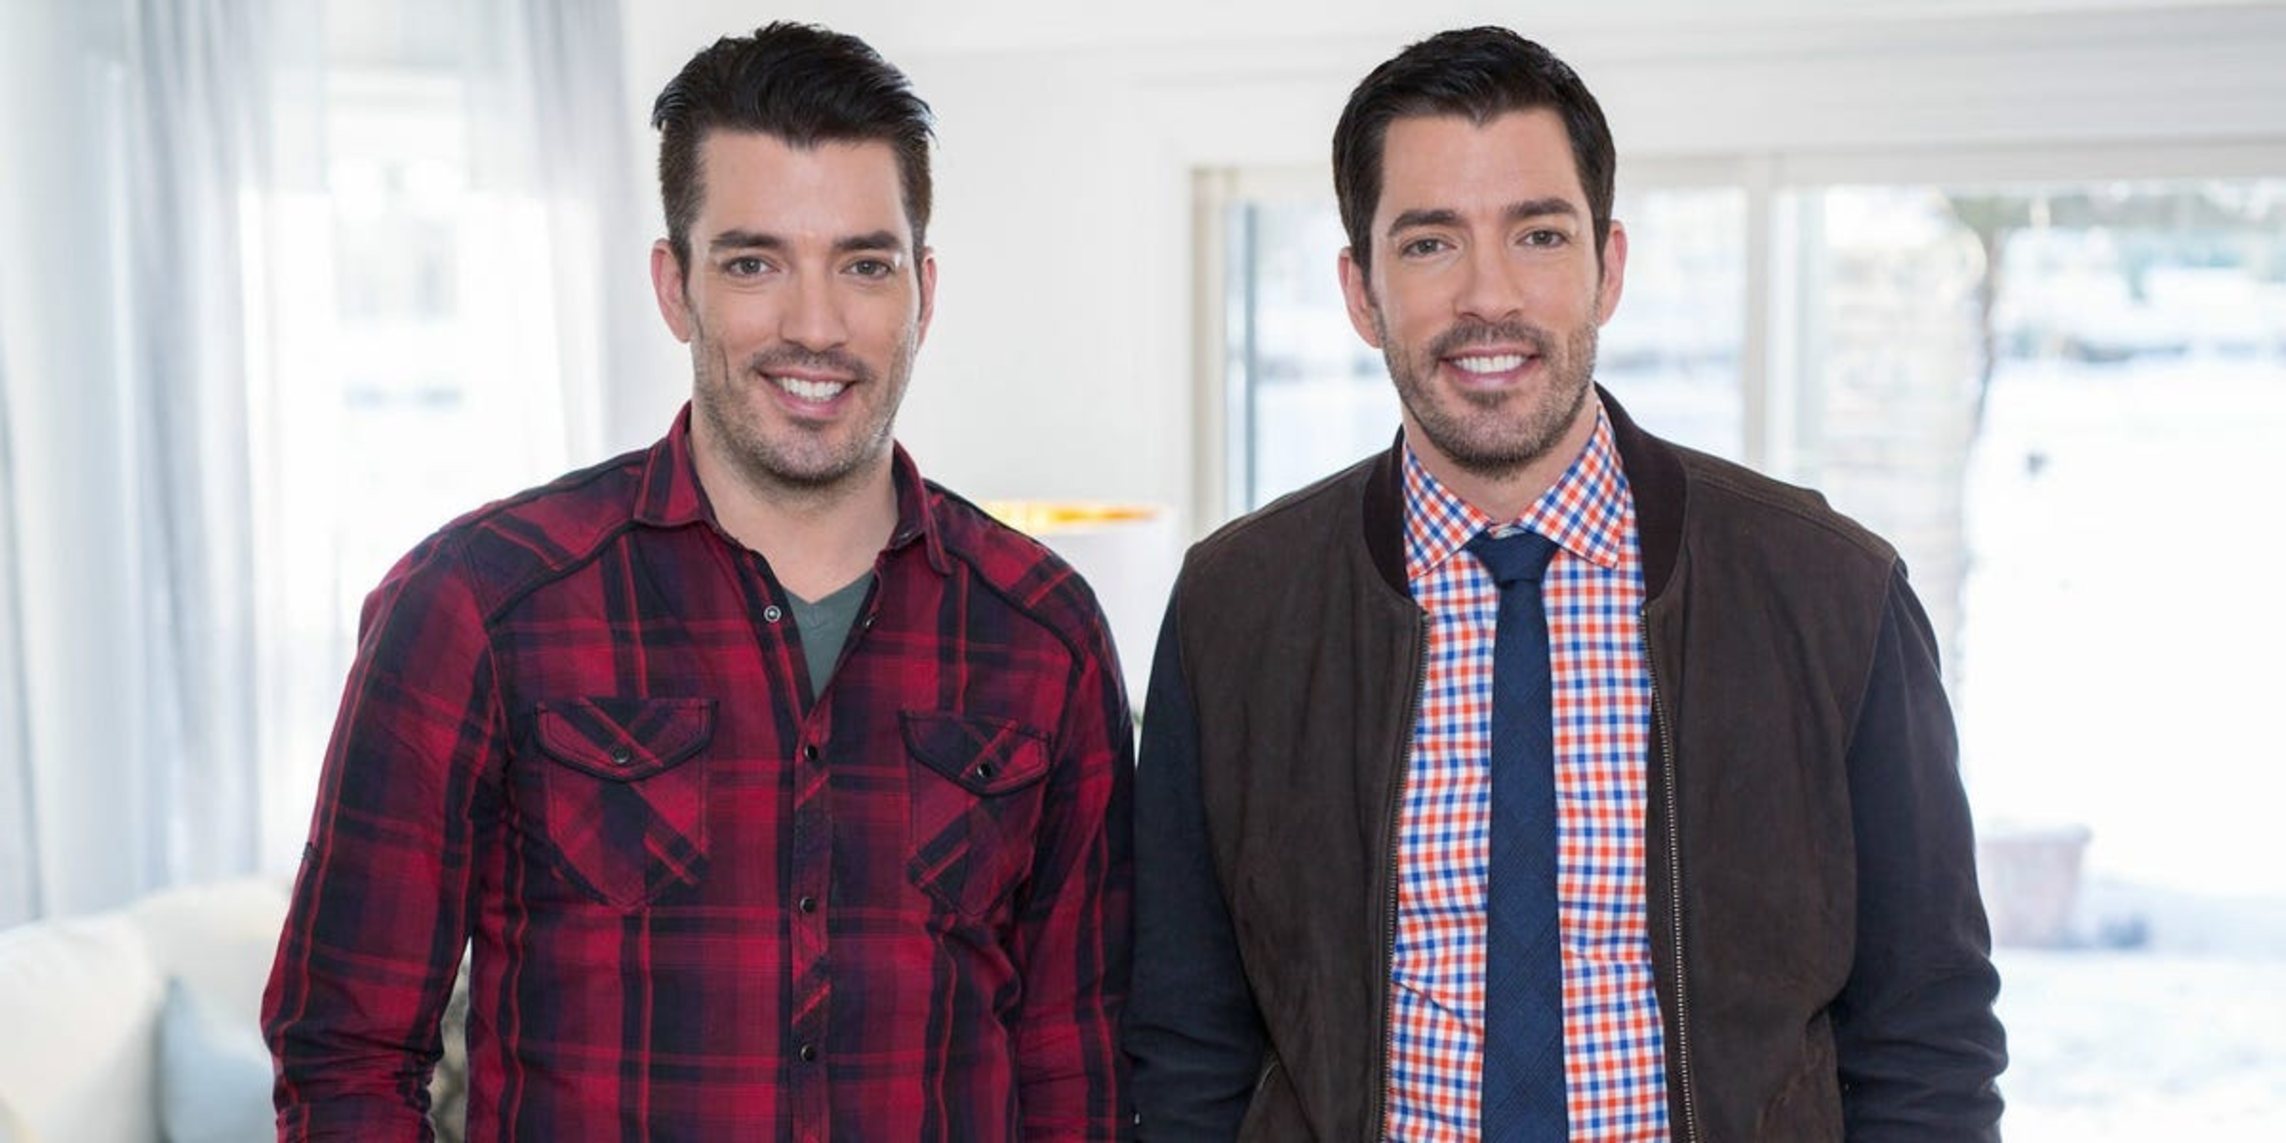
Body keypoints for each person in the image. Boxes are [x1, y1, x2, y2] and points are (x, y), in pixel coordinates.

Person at [1125, 26, 2005, 1142]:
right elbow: (1186, 1046)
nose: (1489, 295)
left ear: (1609, 266)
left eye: (1539, 234)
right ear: (1361, 292)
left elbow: (1927, 1036)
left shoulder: (1835, 592)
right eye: (1430, 243)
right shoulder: (1234, 611)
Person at [263, 23, 1133, 1141]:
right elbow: (343, 1058)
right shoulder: (477, 606)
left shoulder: (1045, 634)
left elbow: (1076, 1066)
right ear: (675, 287)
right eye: (754, 262)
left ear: (923, 290)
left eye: (864, 265)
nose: (815, 326)